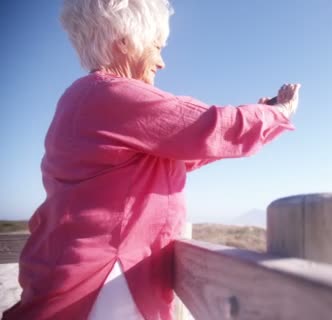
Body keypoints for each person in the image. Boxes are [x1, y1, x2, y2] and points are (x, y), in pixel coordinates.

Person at [2, 0, 300, 319]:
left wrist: (261, 120)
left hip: (94, 278)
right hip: (102, 285)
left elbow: (179, 153)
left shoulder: (89, 99)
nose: (161, 63)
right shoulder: (109, 94)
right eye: (157, 46)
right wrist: (277, 113)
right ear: (125, 41)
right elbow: (209, 127)